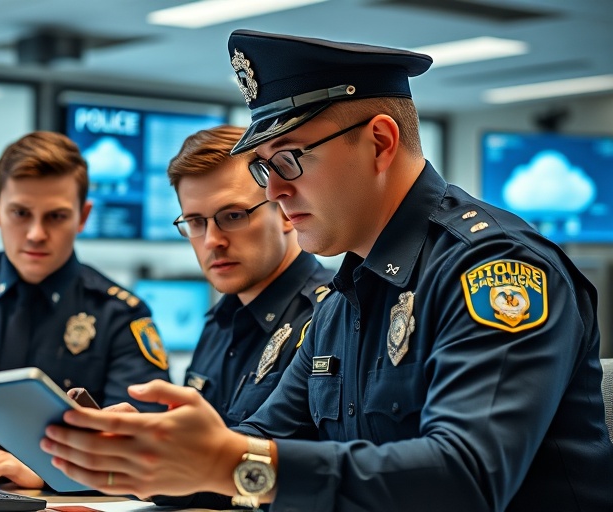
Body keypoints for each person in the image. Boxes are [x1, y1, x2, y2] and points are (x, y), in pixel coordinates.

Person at [39, 30, 613, 511]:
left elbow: (467, 476)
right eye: (264, 169)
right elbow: (260, 445)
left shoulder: (495, 270)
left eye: (291, 159)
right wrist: (148, 454)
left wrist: (228, 461)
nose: (279, 191)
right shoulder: (347, 296)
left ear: (380, 142)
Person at [0, 131, 171, 486]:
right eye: (21, 213)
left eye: (56, 216)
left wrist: (46, 467)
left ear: (83, 216)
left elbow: (144, 440)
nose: (35, 234)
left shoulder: (119, 315)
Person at [168, 125, 333, 427]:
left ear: (284, 211)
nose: (211, 241)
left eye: (233, 216)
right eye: (195, 222)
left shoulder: (331, 318)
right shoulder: (219, 323)